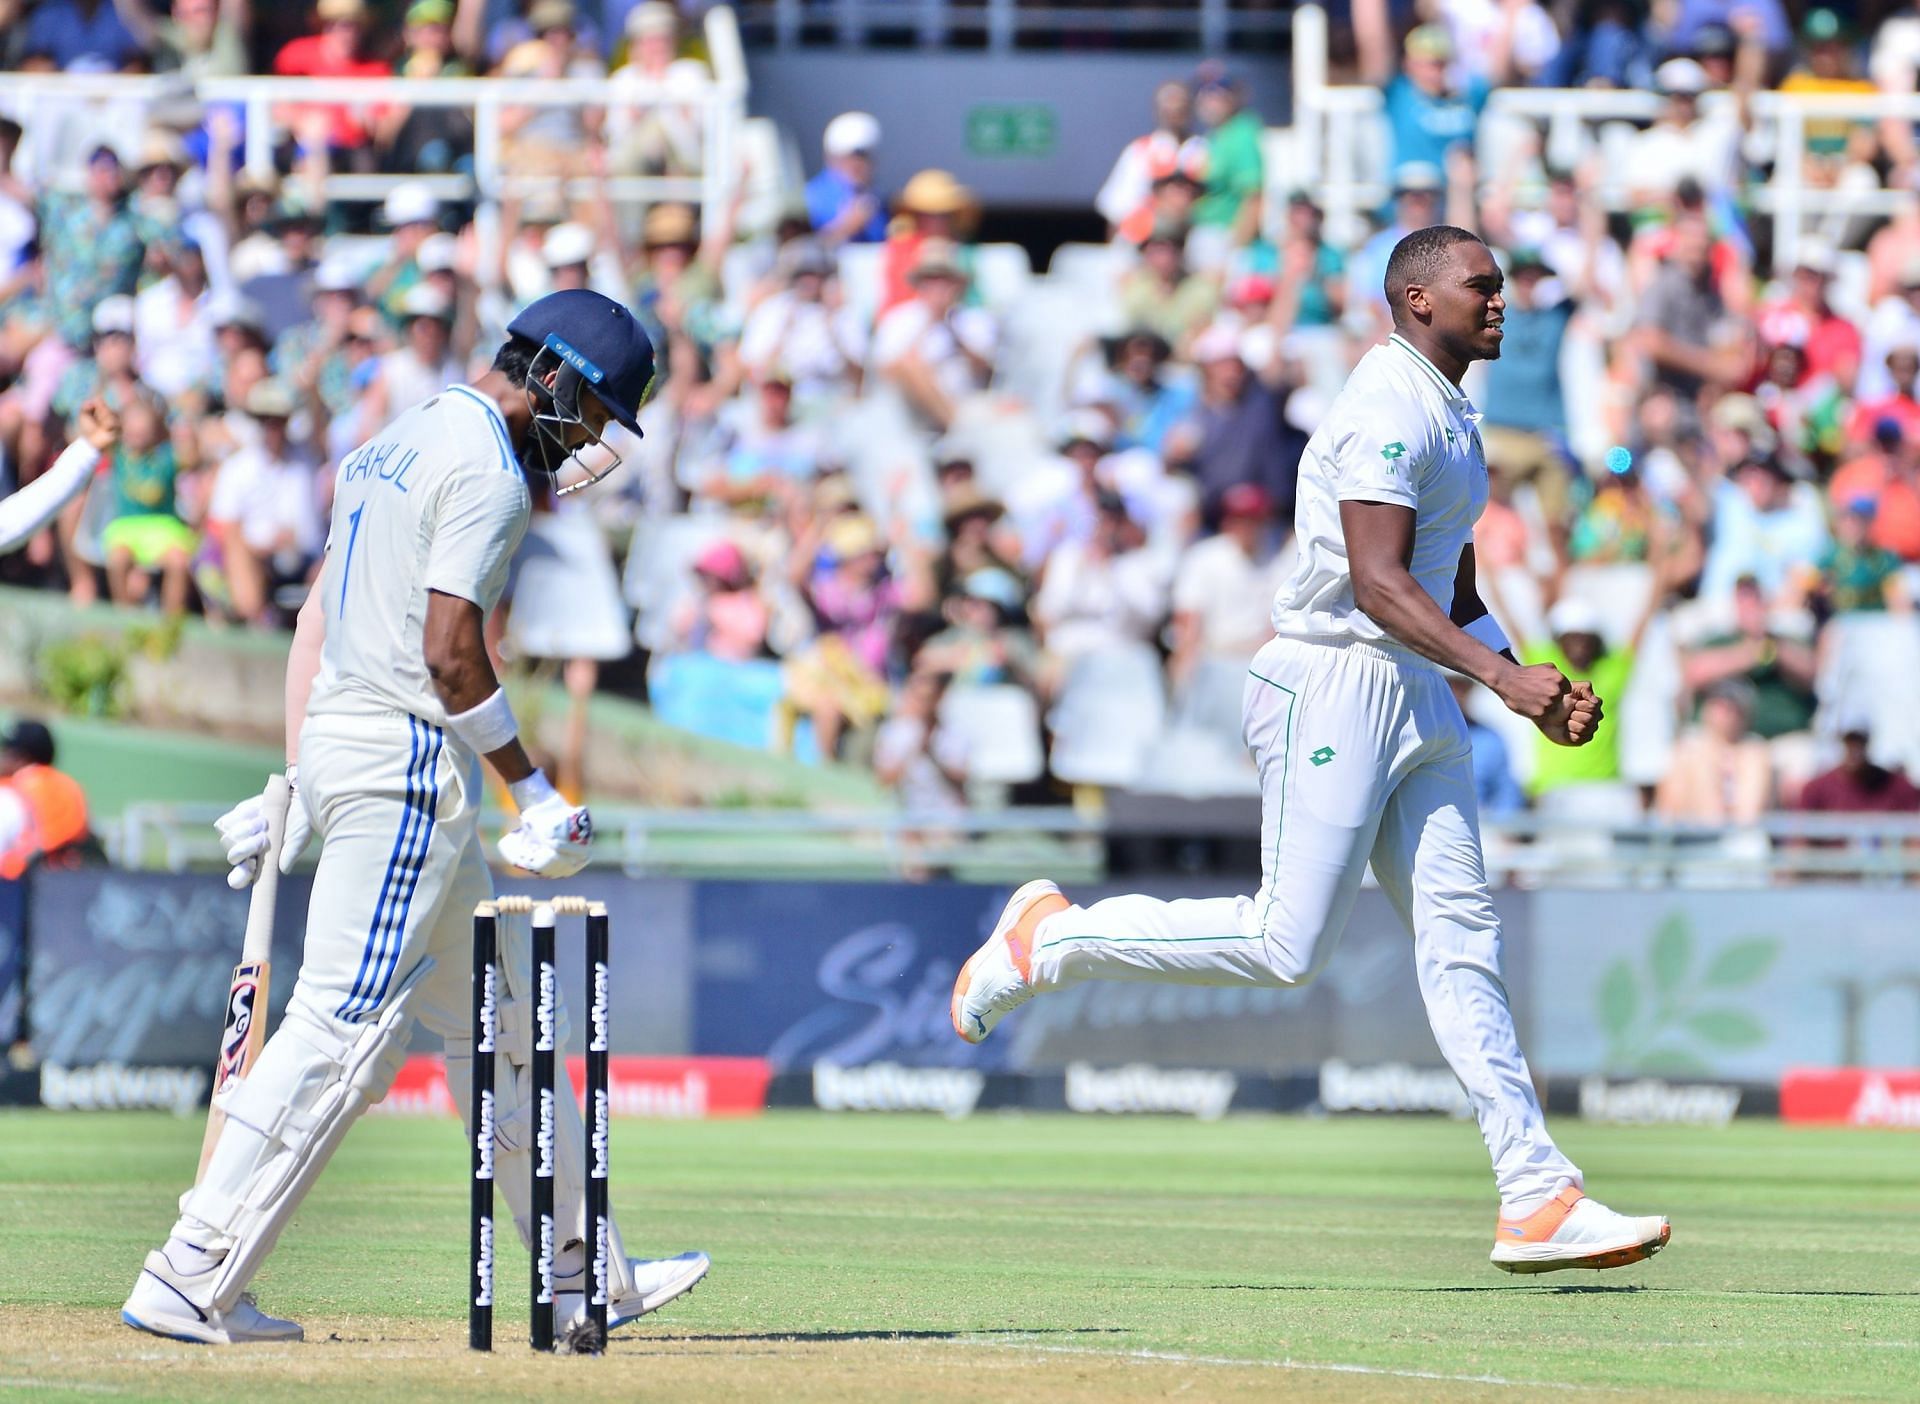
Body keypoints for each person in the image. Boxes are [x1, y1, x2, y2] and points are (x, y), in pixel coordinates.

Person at [950, 225, 1670, 1275]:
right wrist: (1504, 679)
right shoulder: (1385, 403)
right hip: (1333, 681)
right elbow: (1379, 582)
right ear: (1418, 299)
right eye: (1482, 287)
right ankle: (1047, 940)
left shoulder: (1455, 412)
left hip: (1418, 685)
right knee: (1287, 947)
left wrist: (1518, 679)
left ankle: (1536, 1192)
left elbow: (1450, 584)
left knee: (1463, 936)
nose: (1502, 302)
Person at [121, 290, 708, 1344]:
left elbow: (315, 620)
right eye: (596, 414)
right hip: (401, 764)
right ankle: (191, 1265)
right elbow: (449, 652)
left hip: (352, 739)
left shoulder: (393, 438)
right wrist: (532, 787)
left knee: (502, 1038)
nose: (590, 445)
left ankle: (587, 1277)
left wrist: (296, 777)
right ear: (558, 378)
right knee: (340, 1031)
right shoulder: (487, 470)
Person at [0, 719, 89, 880]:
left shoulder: (13, 789)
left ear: (22, 758)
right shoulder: (70, 787)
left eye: (7, 751)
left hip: (17, 883)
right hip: (68, 881)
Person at [1799, 721, 1920, 814]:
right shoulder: (1817, 789)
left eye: (1859, 743)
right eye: (1849, 743)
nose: (1854, 750)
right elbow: (1799, 838)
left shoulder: (1897, 786)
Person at [805, 111, 886, 247]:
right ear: (831, 159)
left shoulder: (875, 197)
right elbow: (805, 246)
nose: (858, 165)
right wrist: (846, 226)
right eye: (851, 158)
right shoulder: (811, 197)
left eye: (864, 157)